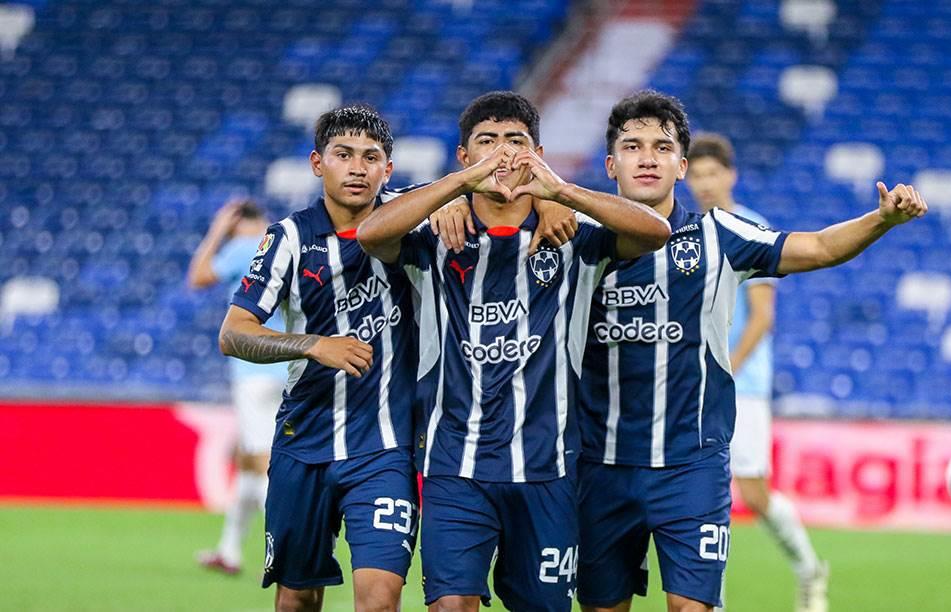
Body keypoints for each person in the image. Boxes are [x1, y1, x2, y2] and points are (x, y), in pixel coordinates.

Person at [493, 90, 923, 612]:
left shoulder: (721, 235)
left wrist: (880, 220)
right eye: (632, 146)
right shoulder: (570, 235)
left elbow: (818, 246)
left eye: (662, 147)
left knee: (691, 607)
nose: (647, 157)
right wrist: (531, 200)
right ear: (610, 164)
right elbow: (475, 216)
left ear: (681, 167)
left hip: (691, 465)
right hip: (598, 466)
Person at [357, 91, 671, 612]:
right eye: (486, 143)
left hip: (546, 470)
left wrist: (560, 191)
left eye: (516, 142)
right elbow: (370, 233)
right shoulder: (436, 233)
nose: (502, 154)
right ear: (463, 156)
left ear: (538, 153)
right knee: (451, 606)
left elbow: (655, 231)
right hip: (455, 466)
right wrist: (457, 189)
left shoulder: (572, 235)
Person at [218, 105, 419, 612]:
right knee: (298, 599)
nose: (357, 168)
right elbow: (234, 333)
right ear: (317, 163)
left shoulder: (415, 220)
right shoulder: (287, 238)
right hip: (304, 442)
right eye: (343, 155)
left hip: (384, 447)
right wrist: (312, 343)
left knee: (380, 599)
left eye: (371, 157)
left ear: (388, 169)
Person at [687, 133, 828, 612]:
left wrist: (724, 370)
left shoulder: (750, 226)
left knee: (754, 494)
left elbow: (762, 317)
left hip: (739, 385)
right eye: (697, 174)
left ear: (731, 175)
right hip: (691, 384)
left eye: (713, 174)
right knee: (698, 495)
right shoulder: (684, 229)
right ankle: (711, 599)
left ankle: (810, 568)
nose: (704, 184)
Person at [188, 199, 289, 576]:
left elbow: (198, 277)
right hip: (286, 364)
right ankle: (229, 549)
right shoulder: (282, 247)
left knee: (259, 462)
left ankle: (283, 549)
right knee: (249, 462)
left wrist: (216, 232)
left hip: (252, 370)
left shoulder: (242, 249)